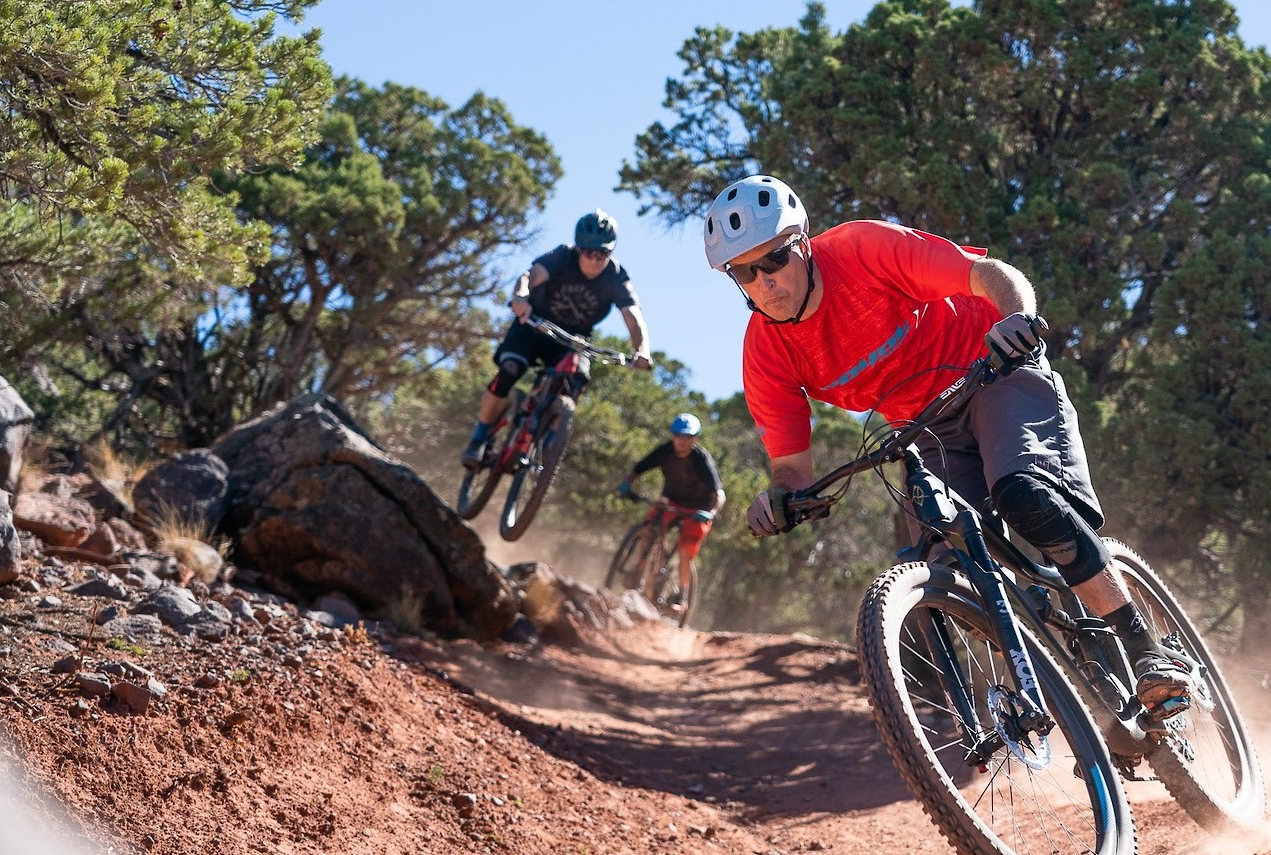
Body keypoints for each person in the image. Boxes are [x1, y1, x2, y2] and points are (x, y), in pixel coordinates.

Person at [702, 174, 1191, 714]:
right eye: (745, 272)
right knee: (947, 564)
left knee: (1022, 492)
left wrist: (1016, 321)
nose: (764, 281)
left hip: (993, 373)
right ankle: (1069, 700)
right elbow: (791, 468)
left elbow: (987, 274)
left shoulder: (862, 249)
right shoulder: (765, 352)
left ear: (804, 242)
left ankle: (1145, 647)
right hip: (925, 430)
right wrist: (780, 499)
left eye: (773, 260)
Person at [462, 209, 654, 467]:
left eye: (603, 254)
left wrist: (642, 350)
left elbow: (633, 317)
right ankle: (480, 437)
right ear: (578, 249)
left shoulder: (616, 277)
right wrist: (520, 297)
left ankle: (548, 442)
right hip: (534, 324)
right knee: (509, 370)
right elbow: (530, 276)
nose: (596, 260)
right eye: (589, 252)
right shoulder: (562, 257)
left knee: (575, 379)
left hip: (573, 340)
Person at [617, 413, 726, 606]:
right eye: (677, 436)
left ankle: (681, 595)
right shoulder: (665, 451)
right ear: (673, 436)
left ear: (694, 438)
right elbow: (639, 468)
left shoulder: (701, 459)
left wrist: (711, 513)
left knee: (686, 550)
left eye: (686, 437)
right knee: (650, 527)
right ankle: (639, 572)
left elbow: (719, 494)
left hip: (698, 511)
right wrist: (627, 483)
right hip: (671, 501)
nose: (681, 441)